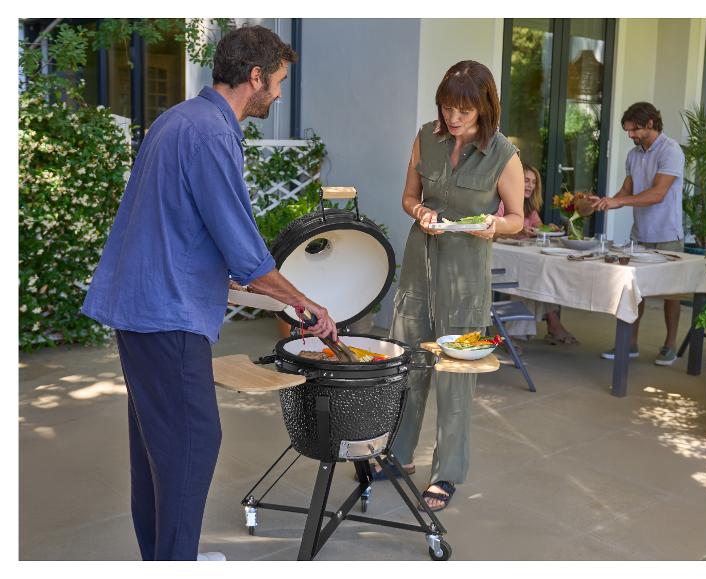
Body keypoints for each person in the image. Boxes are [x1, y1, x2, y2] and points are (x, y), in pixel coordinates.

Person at [81, 25, 337, 561]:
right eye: (280, 81)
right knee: (191, 446)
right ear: (255, 76)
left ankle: (162, 559)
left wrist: (264, 293)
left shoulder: (176, 119)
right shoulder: (212, 134)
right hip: (167, 316)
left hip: (141, 308)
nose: (280, 93)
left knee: (156, 447)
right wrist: (308, 305)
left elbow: (180, 231)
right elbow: (247, 257)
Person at [387, 60, 525, 511]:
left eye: (464, 110)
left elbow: (517, 220)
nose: (453, 117)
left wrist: (493, 224)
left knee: (455, 369)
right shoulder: (426, 137)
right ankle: (399, 453)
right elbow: (409, 197)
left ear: (484, 108)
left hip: (466, 270)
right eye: (447, 107)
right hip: (419, 261)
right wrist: (419, 212)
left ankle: (446, 472)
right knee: (407, 359)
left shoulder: (504, 154)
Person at [591, 101, 685, 365]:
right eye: (628, 130)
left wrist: (620, 202)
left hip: (668, 232)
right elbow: (627, 189)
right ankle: (629, 343)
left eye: (635, 130)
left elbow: (657, 194)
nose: (631, 135)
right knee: (634, 289)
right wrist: (607, 201)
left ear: (651, 124)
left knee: (671, 293)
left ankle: (670, 345)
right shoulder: (634, 155)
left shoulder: (671, 150)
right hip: (640, 232)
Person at [495, 163, 578, 345]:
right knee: (532, 276)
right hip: (499, 260)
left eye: (533, 182)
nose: (530, 185)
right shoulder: (502, 203)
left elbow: (539, 227)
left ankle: (547, 324)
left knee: (540, 274)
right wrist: (518, 231)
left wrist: (548, 229)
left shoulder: (529, 207)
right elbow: (493, 231)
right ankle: (547, 325)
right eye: (526, 180)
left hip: (521, 259)